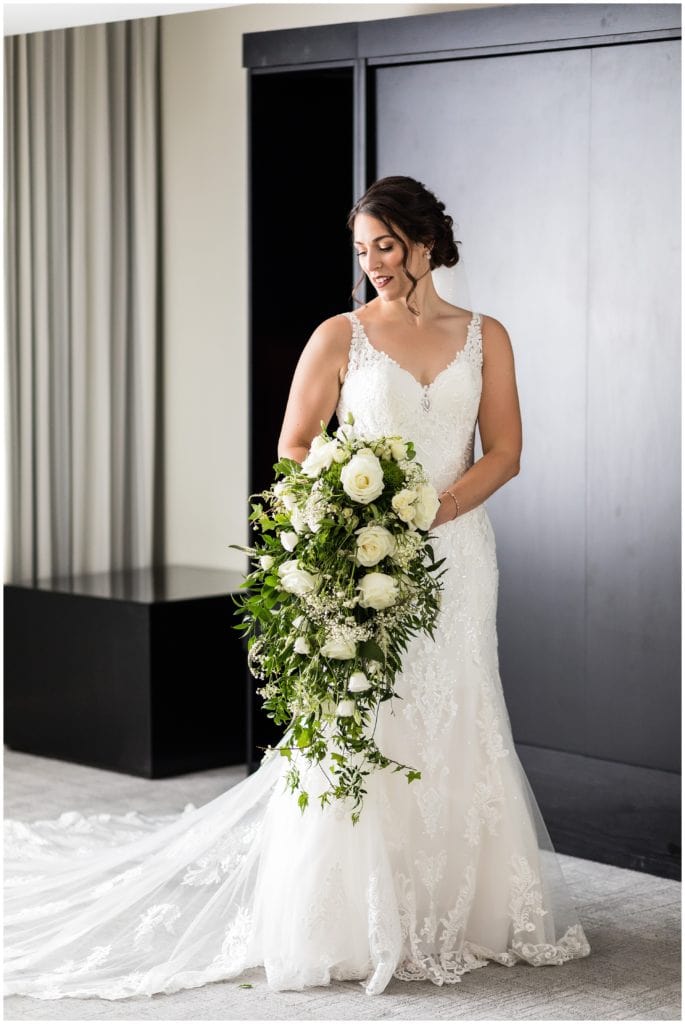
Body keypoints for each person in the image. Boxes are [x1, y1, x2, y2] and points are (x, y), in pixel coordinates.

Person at [4, 176, 591, 1001]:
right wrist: (348, 523)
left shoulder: (484, 335)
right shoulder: (339, 335)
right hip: (363, 555)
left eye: (385, 246)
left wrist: (441, 508)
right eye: (362, 251)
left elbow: (504, 449)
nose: (373, 264)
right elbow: (292, 450)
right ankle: (348, 918)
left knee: (458, 704)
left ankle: (464, 913)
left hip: (459, 557)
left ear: (424, 243)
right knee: (364, 714)